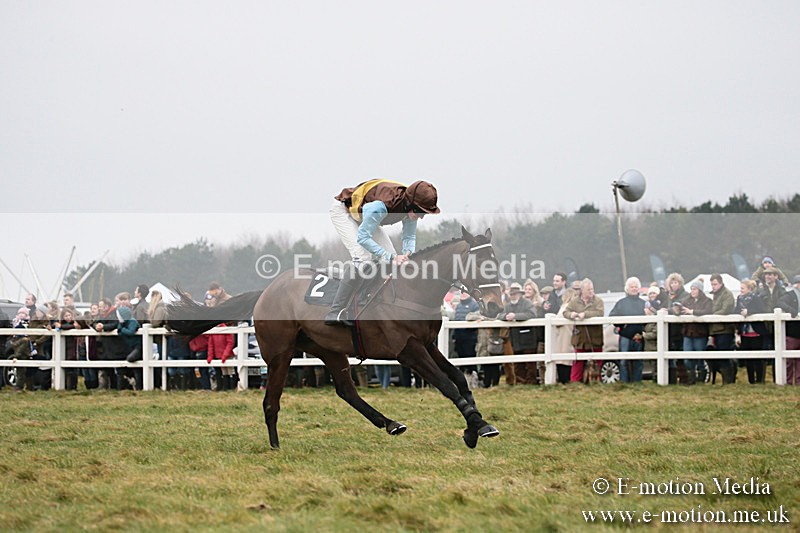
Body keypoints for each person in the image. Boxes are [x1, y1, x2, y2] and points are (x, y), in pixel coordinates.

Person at [325, 179, 440, 326]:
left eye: (425, 213)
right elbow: (363, 238)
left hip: (363, 214)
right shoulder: (382, 206)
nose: (421, 217)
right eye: (420, 212)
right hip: (344, 211)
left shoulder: (411, 206)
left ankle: (371, 299)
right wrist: (392, 257)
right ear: (410, 203)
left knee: (391, 261)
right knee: (364, 258)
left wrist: (408, 255)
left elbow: (409, 237)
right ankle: (335, 311)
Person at [563, 278, 605, 383]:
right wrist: (571, 315)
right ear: (582, 290)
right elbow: (565, 312)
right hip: (580, 338)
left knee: (597, 361)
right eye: (588, 290)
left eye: (592, 289)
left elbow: (600, 313)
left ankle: (596, 382)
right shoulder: (574, 302)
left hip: (595, 337)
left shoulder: (598, 301)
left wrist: (585, 315)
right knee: (578, 361)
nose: (591, 291)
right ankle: (575, 383)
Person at [497, 282, 537, 385]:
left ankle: (530, 381)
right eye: (511, 294)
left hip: (527, 336)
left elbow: (532, 314)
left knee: (529, 361)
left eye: (514, 294)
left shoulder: (527, 303)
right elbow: (499, 315)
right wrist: (505, 316)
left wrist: (515, 316)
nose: (513, 296)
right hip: (514, 337)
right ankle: (519, 380)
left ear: (519, 294)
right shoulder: (508, 305)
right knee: (517, 361)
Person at [609, 277, 645, 383]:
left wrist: (640, 333)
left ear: (638, 289)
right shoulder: (621, 303)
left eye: (635, 287)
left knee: (638, 361)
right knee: (624, 360)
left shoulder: (643, 303)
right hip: (625, 336)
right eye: (631, 287)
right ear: (627, 289)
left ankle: (637, 383)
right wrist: (624, 328)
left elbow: (648, 321)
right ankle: (624, 383)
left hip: (639, 336)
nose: (633, 289)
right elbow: (613, 317)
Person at [676, 280, 712, 384]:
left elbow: (708, 311)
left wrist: (692, 312)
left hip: (700, 333)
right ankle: (691, 379)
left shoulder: (707, 301)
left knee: (700, 357)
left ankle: (701, 379)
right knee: (687, 357)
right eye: (691, 289)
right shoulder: (686, 300)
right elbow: (679, 308)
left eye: (694, 289)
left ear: (700, 290)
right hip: (687, 332)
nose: (692, 291)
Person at [736, 279, 768, 384]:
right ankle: (751, 380)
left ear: (749, 289)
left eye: (742, 288)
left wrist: (749, 312)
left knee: (757, 358)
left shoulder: (756, 298)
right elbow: (736, 310)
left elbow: (762, 310)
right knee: (748, 358)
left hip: (756, 332)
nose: (740, 290)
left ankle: (759, 380)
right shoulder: (739, 298)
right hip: (745, 332)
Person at [708, 273, 737, 384]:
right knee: (719, 355)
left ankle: (729, 380)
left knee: (724, 354)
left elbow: (726, 310)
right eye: (712, 284)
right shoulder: (716, 295)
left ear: (720, 283)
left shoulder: (727, 294)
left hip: (725, 329)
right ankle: (727, 379)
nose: (713, 286)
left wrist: (712, 315)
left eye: (715, 284)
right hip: (716, 329)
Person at [452, 292, 480, 385]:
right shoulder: (458, 306)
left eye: (466, 292)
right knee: (461, 356)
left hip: (469, 335)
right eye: (462, 293)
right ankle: (463, 380)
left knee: (470, 356)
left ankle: (474, 379)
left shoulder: (474, 305)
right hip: (459, 336)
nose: (463, 294)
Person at [551, 288, 579, 384]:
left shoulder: (565, 307)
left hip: (563, 338)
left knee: (563, 361)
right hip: (568, 337)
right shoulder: (573, 308)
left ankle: (564, 382)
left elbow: (557, 321)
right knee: (567, 361)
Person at [777, 275, 800, 385]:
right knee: (789, 359)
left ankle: (799, 380)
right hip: (793, 331)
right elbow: (780, 303)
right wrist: (791, 310)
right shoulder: (789, 295)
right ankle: (789, 380)